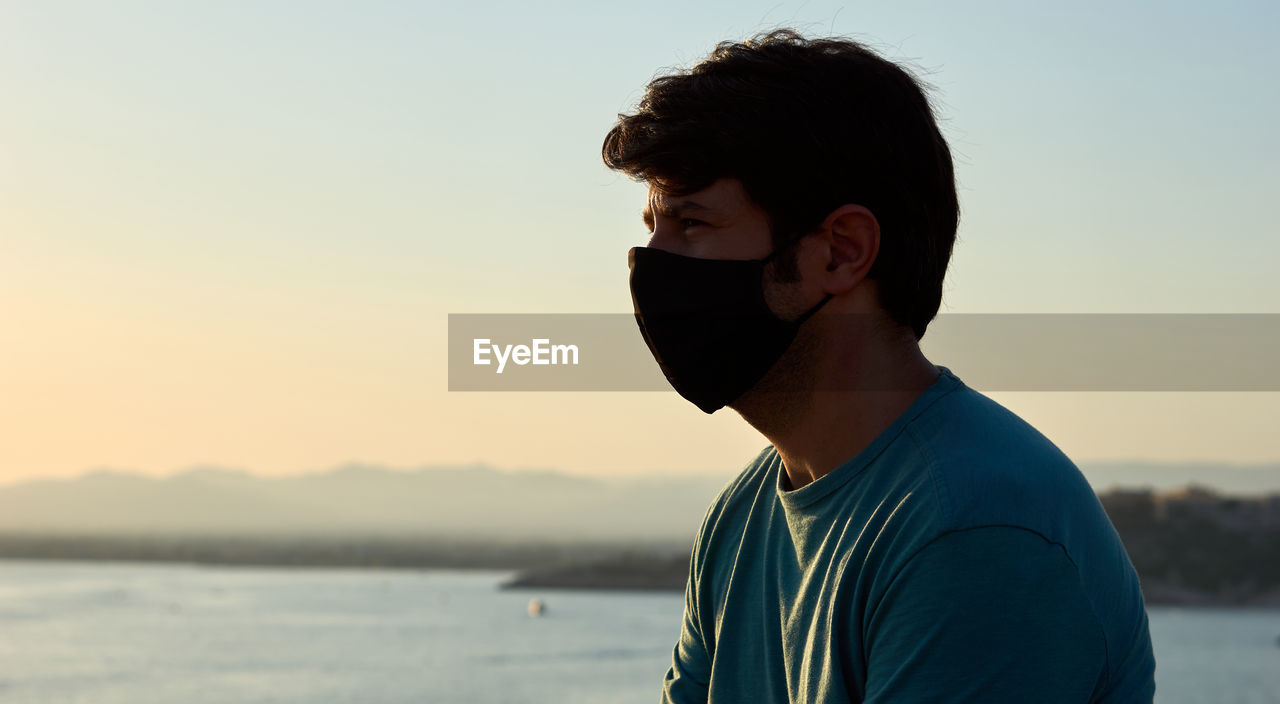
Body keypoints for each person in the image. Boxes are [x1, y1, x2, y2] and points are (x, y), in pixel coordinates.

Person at [603, 29, 1157, 703]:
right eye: (652, 225)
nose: (650, 264)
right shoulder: (741, 519)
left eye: (691, 223)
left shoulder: (976, 531)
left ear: (840, 252)